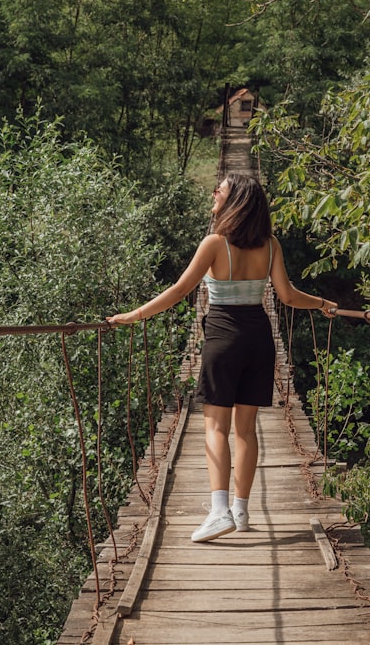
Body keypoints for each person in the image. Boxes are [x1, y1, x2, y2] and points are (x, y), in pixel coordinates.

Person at [107, 173, 337, 543]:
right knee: (245, 430)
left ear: (237, 201)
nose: (214, 193)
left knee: (215, 427)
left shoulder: (214, 244)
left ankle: (218, 512)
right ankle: (241, 510)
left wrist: (134, 315)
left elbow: (180, 290)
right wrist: (324, 304)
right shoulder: (271, 245)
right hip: (260, 340)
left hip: (223, 338)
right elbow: (289, 296)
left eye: (221, 190)